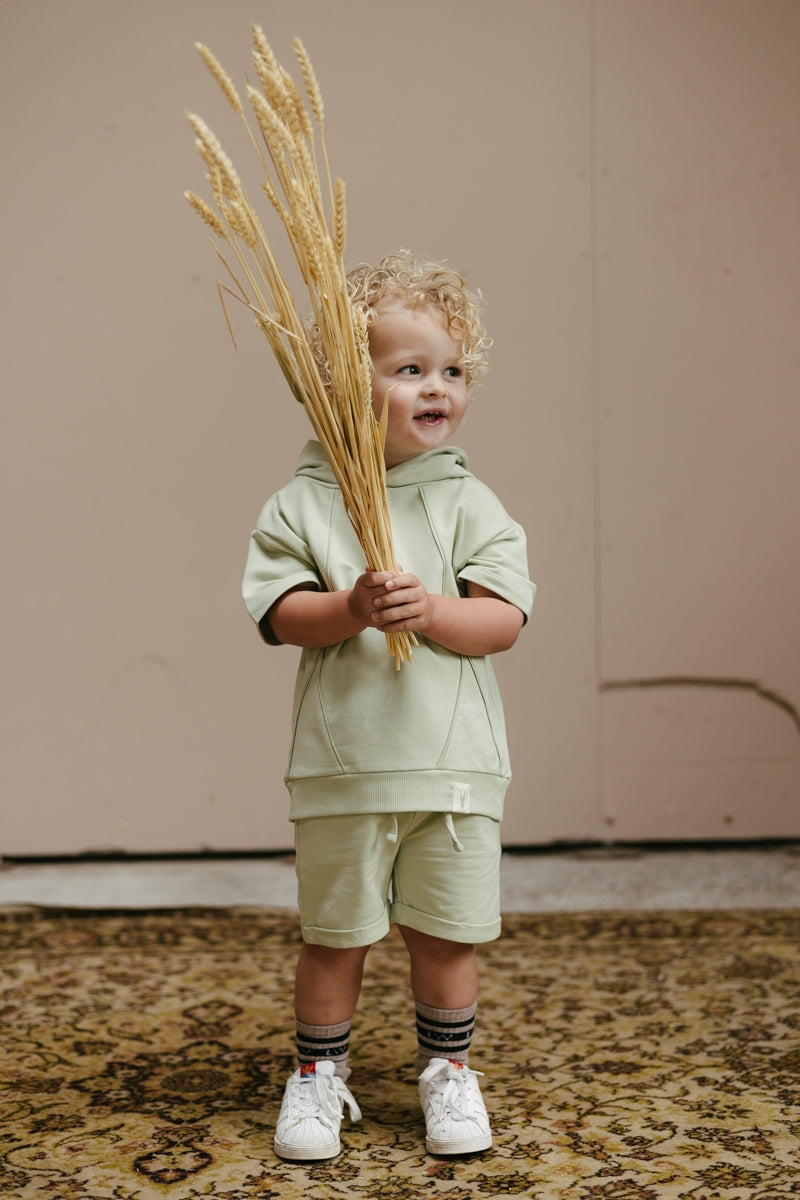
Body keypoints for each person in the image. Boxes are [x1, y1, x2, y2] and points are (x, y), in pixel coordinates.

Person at [242, 250, 535, 1161]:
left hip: (453, 765)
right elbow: (281, 615)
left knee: (446, 934)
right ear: (344, 383)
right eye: (409, 369)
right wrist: (351, 608)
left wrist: (434, 611)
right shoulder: (303, 502)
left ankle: (448, 1072)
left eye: (453, 370)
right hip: (346, 767)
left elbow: (503, 621)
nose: (437, 387)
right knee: (336, 935)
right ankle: (317, 1077)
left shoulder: (470, 501)